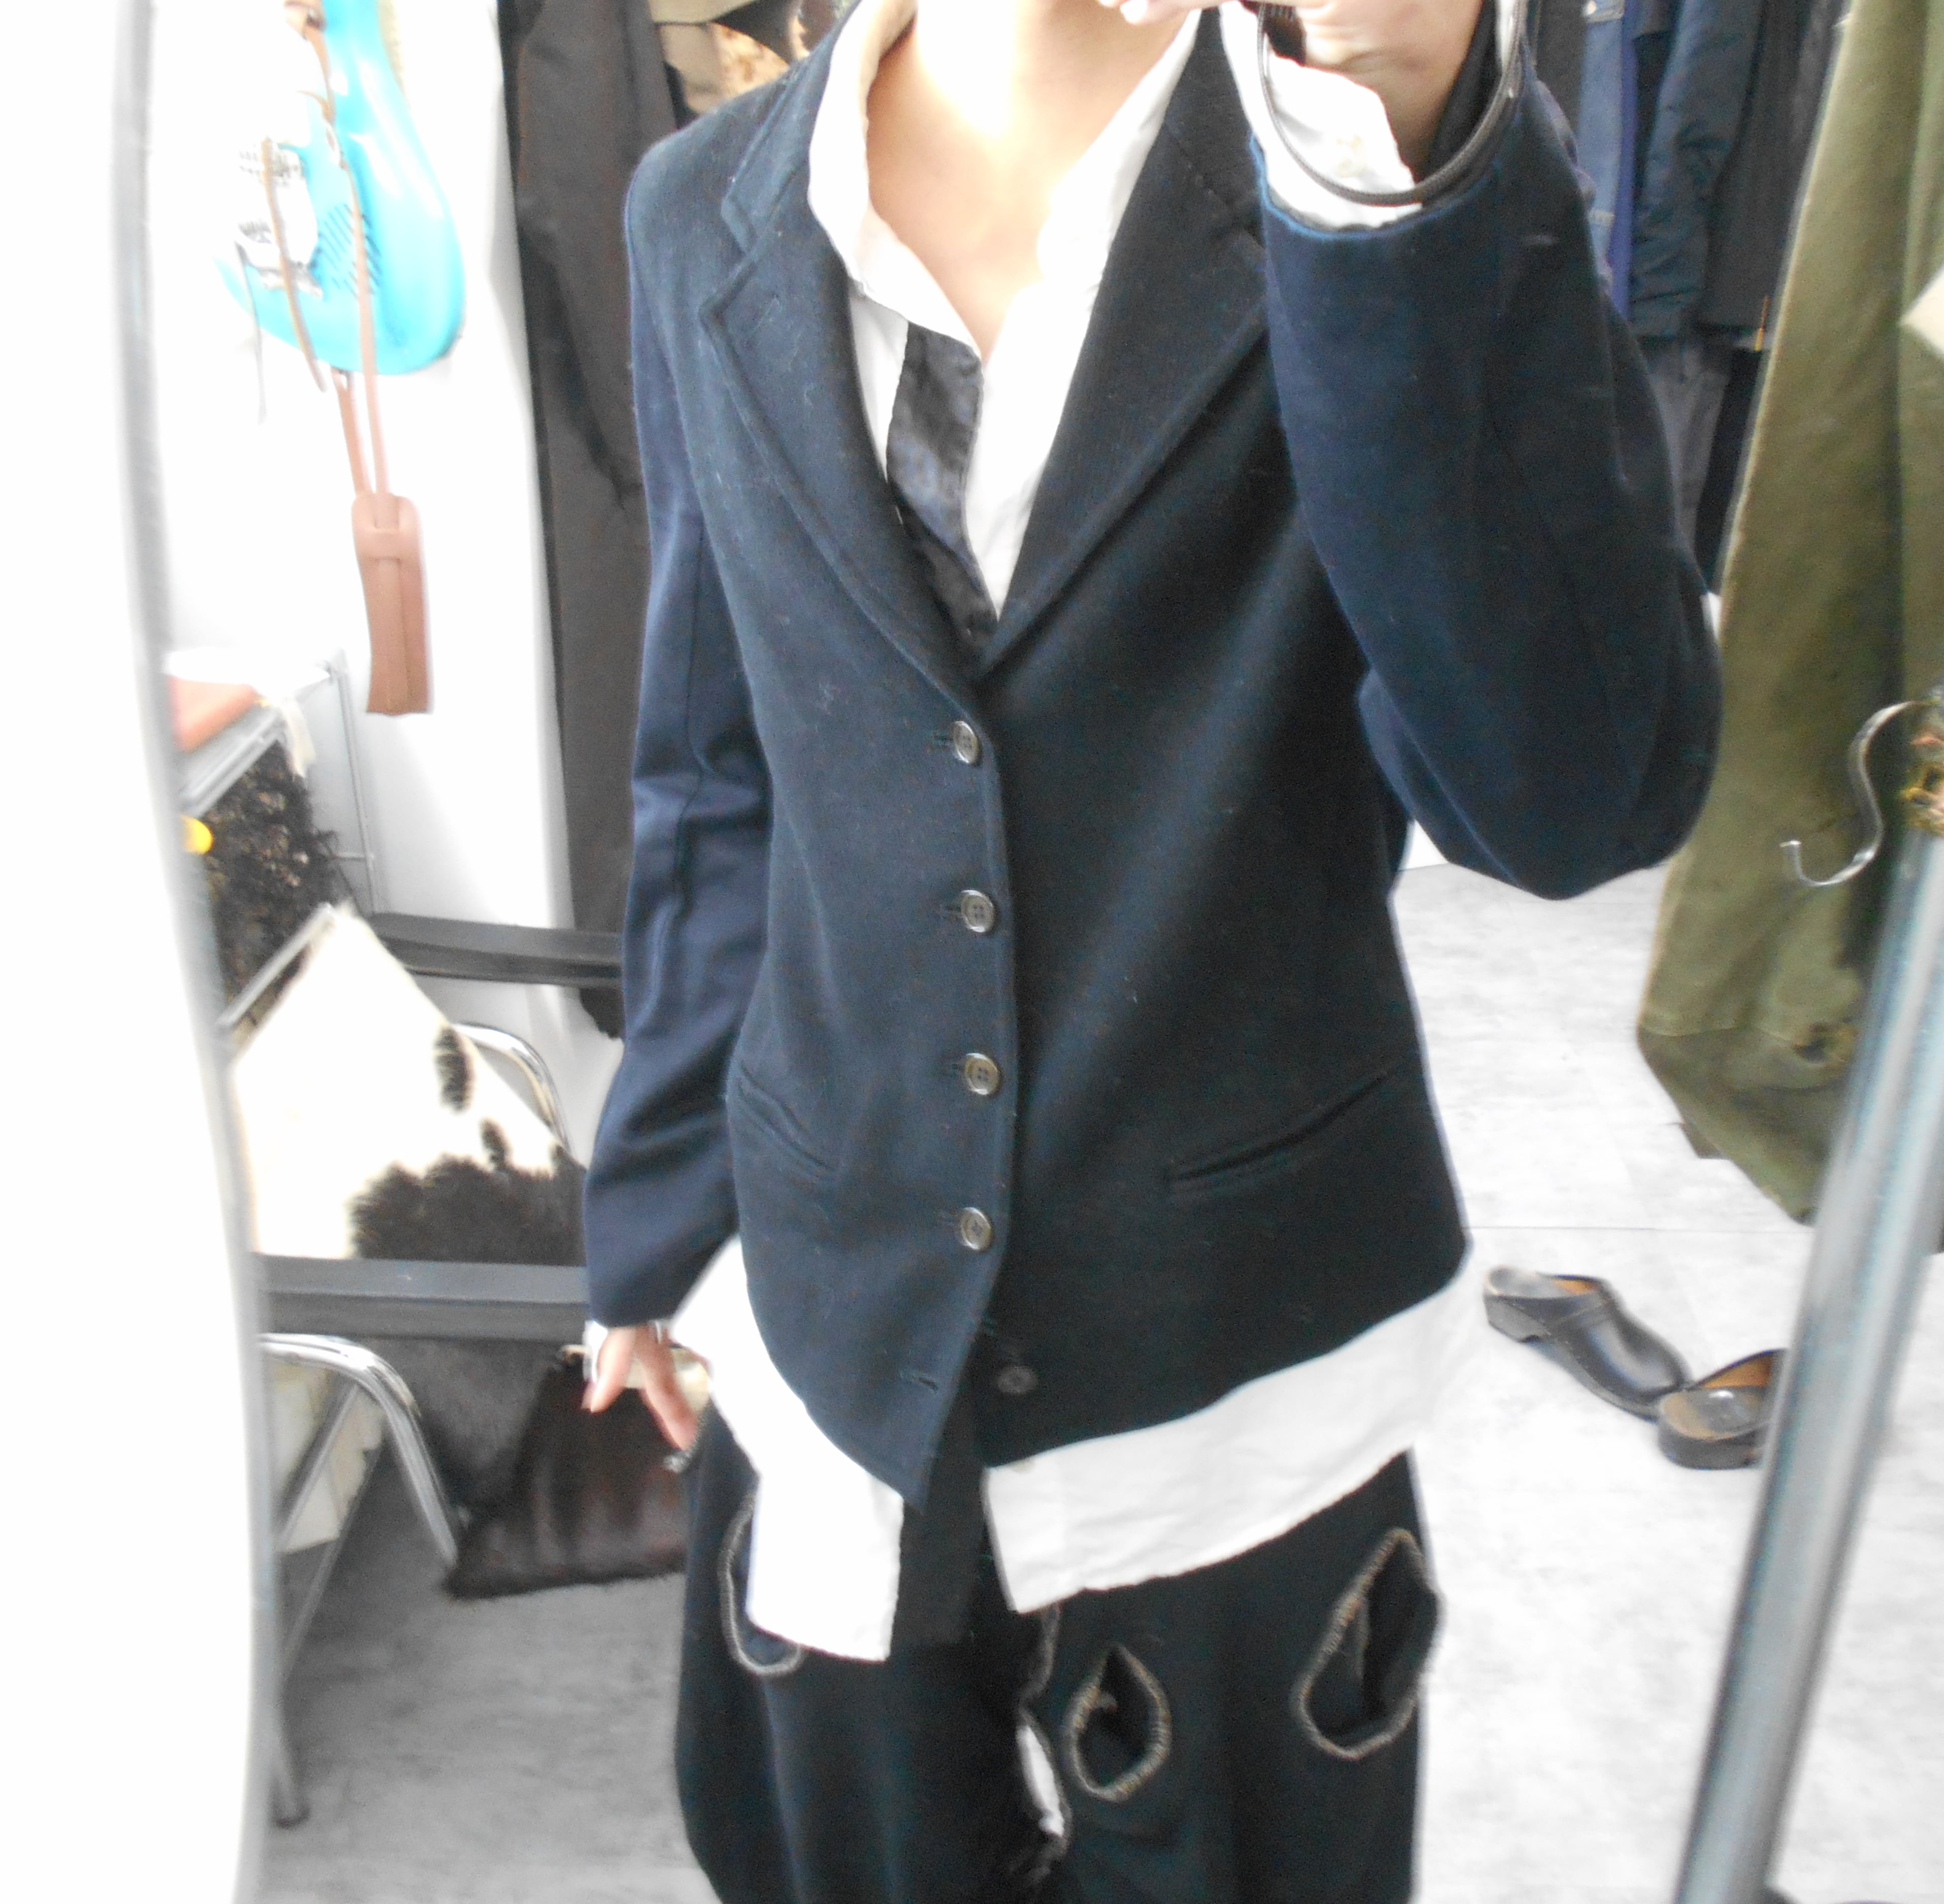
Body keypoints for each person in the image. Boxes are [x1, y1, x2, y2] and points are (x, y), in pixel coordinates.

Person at [581, 0, 1719, 1896]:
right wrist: (653, 1219)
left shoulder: (1358, 164)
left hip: (1237, 1344)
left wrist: (1399, 157)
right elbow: (718, 771)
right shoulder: (703, 208)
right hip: (830, 1301)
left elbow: (1573, 799)